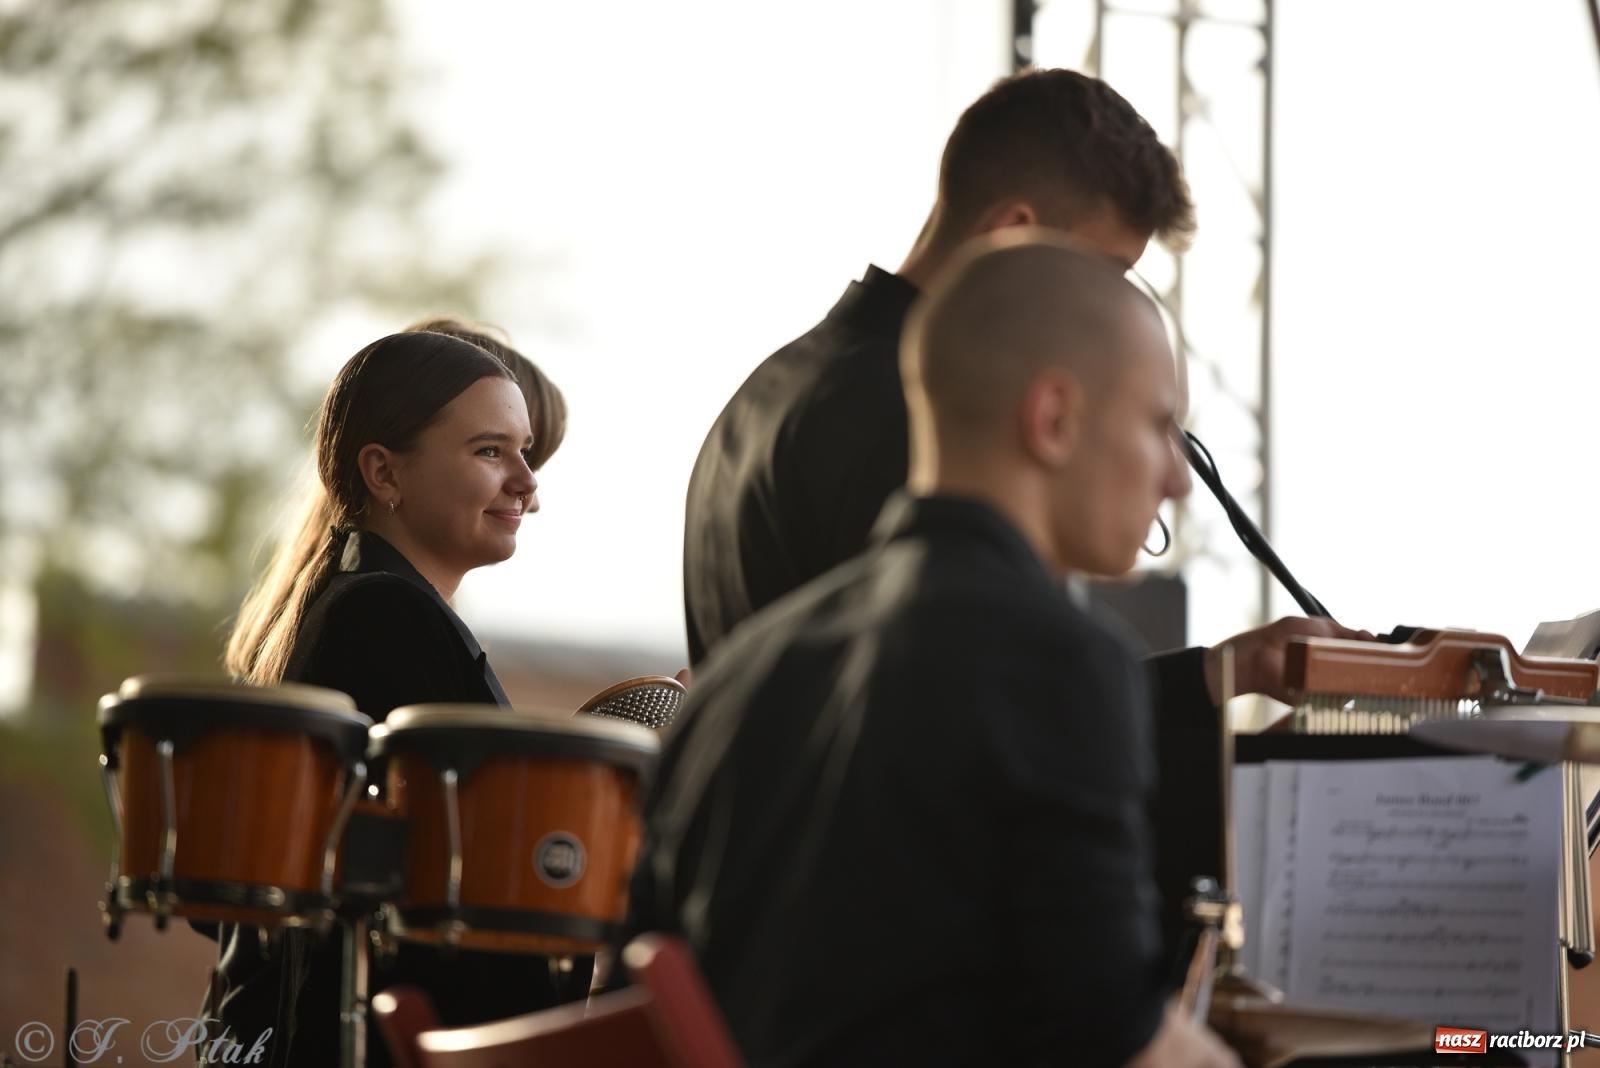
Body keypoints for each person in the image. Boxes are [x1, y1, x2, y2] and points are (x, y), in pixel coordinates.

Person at [680, 67, 1357, 945]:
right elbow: (978, 728)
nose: (1117, 306)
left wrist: (1227, 672)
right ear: (1015, 236)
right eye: (1109, 272)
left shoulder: (774, 388)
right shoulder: (914, 421)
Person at [631, 232, 1239, 1068]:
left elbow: (643, 1005)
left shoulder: (733, 679)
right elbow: (1108, 1040)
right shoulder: (1061, 660)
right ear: (1054, 418)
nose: (1176, 474)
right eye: (1160, 423)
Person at [214, 329, 574, 1068]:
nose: (528, 483)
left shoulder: (369, 602)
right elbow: (451, 882)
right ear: (383, 472)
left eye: (526, 451)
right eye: (490, 452)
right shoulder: (381, 614)